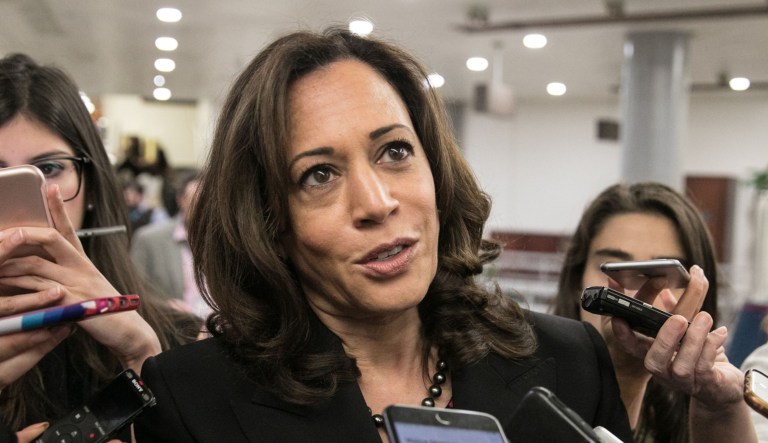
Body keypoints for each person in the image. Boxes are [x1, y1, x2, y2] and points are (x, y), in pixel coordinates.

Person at [133, 28, 750, 442]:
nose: (376, 202)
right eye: (318, 174)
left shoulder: (568, 362)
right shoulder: (192, 399)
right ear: (267, 219)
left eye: (395, 151)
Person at [0, 53, 201, 441]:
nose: (25, 200)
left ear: (90, 185)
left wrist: (143, 355)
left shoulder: (177, 338)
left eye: (48, 169)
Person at [553, 182, 751, 442]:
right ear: (578, 279)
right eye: (615, 269)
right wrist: (625, 375)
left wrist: (721, 410)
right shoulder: (519, 377)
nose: (635, 295)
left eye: (662, 274)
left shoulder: (709, 400)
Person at [131, 169, 211, 318]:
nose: (203, 208)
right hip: (179, 329)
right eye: (196, 200)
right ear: (180, 199)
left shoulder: (224, 240)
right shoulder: (149, 239)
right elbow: (133, 291)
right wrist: (166, 306)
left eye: (208, 201)